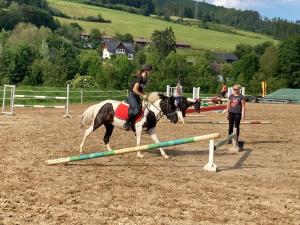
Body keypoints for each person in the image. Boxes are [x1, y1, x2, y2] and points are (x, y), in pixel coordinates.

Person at [123, 64, 152, 131]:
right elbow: (134, 89)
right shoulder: (140, 78)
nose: (150, 73)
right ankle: (127, 123)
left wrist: (146, 96)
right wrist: (142, 95)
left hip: (136, 96)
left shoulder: (145, 80)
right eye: (150, 71)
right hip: (132, 95)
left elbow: (141, 90)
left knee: (143, 109)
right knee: (136, 110)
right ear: (145, 71)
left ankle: (135, 124)